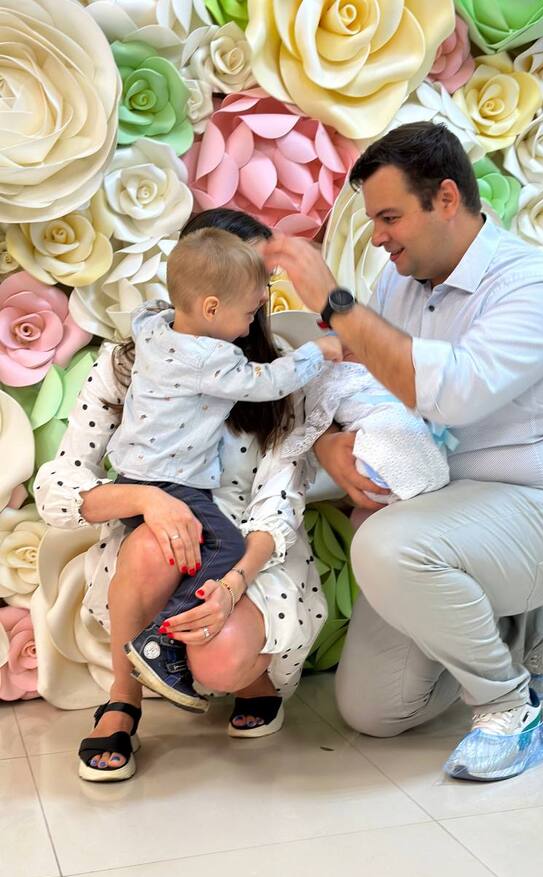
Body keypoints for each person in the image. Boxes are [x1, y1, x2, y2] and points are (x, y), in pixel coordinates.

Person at [264, 121, 543, 782]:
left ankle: (510, 711)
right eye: (373, 220)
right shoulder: (401, 281)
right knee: (375, 710)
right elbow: (363, 377)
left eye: (390, 217)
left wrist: (335, 302)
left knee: (385, 544)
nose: (378, 236)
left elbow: (451, 395)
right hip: (442, 510)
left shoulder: (535, 284)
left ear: (446, 198)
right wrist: (329, 444)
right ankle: (529, 626)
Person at [34, 210, 328, 783]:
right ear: (208, 296)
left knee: (220, 655)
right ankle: (125, 695)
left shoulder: (273, 373)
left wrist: (233, 584)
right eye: (248, 280)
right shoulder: (131, 360)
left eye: (262, 282)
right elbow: (60, 482)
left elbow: (278, 501)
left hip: (252, 550)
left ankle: (249, 678)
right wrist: (147, 500)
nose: (260, 296)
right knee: (155, 539)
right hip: (159, 538)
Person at [109, 229, 340, 712]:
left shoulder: (153, 330)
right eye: (251, 310)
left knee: (200, 551)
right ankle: (161, 641)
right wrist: (320, 351)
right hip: (168, 485)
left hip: (132, 475)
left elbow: (153, 308)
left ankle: (181, 643)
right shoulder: (209, 358)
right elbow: (270, 381)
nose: (256, 317)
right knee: (225, 547)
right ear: (212, 308)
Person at [280, 341, 451, 503]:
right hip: (370, 427)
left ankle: (410, 466)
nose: (347, 348)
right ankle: (387, 467)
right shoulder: (332, 376)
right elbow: (318, 409)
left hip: (405, 418)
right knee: (388, 424)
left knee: (404, 422)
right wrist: (323, 441)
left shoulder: (394, 361)